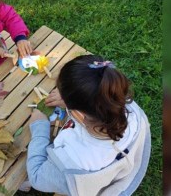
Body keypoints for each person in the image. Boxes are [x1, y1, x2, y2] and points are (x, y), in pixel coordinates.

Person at [26, 55, 151, 195]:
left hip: (84, 185)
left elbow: (36, 176)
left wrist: (39, 128)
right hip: (125, 172)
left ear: (79, 114)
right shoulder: (127, 108)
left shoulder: (73, 163)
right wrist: (73, 99)